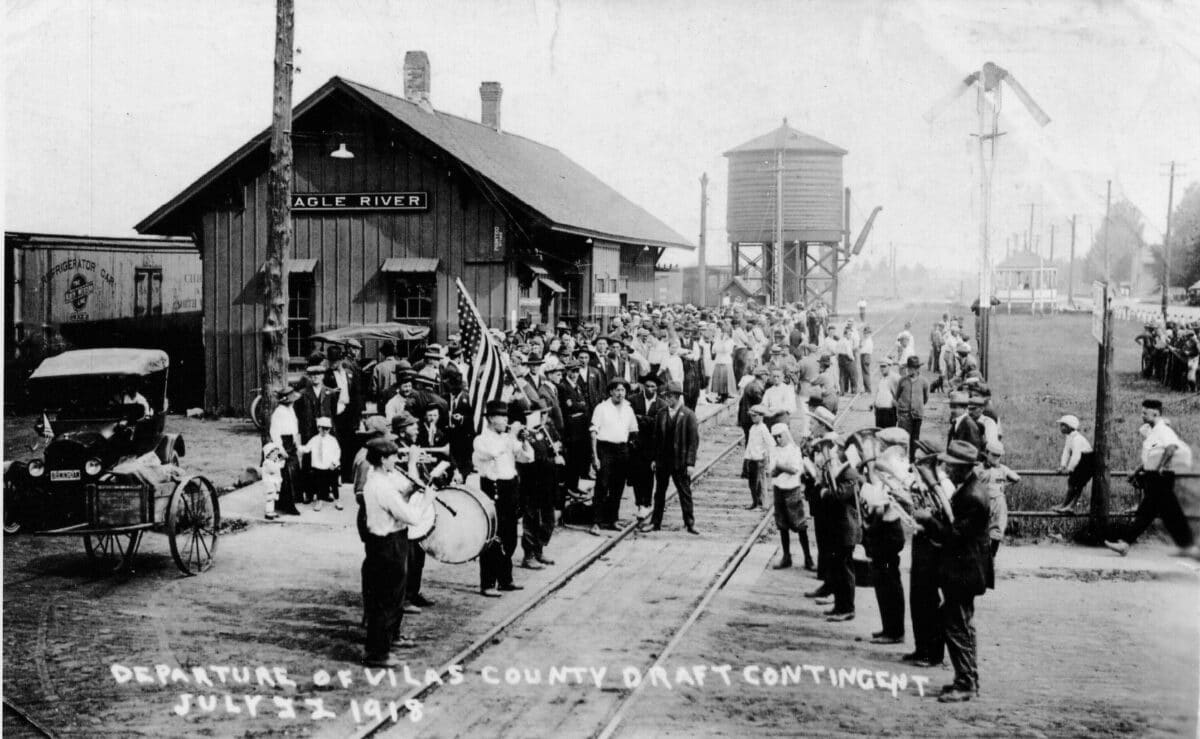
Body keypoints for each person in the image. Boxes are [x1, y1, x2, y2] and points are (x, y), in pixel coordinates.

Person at [913, 440, 992, 702]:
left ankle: (966, 683)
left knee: (957, 627)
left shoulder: (972, 496)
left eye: (951, 465)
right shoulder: (969, 489)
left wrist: (929, 521)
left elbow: (955, 535)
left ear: (964, 467)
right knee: (961, 625)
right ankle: (966, 678)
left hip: (964, 571)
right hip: (963, 570)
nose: (946, 468)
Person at [360, 437, 433, 667]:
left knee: (394, 596)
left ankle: (388, 641)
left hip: (390, 541)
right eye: (393, 457)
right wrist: (426, 500)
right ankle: (377, 653)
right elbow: (410, 516)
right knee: (386, 599)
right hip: (387, 544)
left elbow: (397, 495)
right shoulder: (381, 486)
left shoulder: (378, 479)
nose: (396, 460)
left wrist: (411, 489)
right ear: (383, 459)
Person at [1105, 399, 1199, 559]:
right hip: (1156, 476)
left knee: (1149, 512)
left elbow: (1171, 448)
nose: (1141, 415)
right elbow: (1150, 457)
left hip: (1161, 476)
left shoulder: (1163, 429)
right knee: (1166, 513)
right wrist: (1136, 472)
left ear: (1155, 413)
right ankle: (1188, 546)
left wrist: (1161, 467)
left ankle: (1126, 543)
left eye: (1145, 413)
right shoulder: (1153, 431)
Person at [473, 399, 535, 596]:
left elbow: (527, 457)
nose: (506, 420)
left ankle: (505, 579)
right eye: (502, 416)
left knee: (509, 536)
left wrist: (523, 440)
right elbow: (493, 453)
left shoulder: (508, 438)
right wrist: (511, 438)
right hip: (493, 488)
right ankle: (488, 583)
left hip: (510, 487)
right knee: (493, 536)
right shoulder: (481, 440)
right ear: (491, 418)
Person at [646, 382, 700, 534]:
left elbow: (693, 441)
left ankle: (689, 523)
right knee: (659, 493)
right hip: (663, 461)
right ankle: (655, 522)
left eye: (669, 396)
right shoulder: (661, 413)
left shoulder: (688, 415)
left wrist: (690, 463)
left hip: (680, 462)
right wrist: (654, 459)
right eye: (666, 396)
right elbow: (655, 439)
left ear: (677, 397)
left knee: (685, 493)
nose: (667, 399)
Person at [819, 440, 862, 622]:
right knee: (837, 568)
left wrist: (825, 493)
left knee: (845, 570)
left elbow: (840, 495)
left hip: (846, 528)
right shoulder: (840, 472)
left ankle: (847, 608)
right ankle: (839, 605)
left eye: (835, 453)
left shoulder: (850, 473)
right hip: (838, 528)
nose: (832, 456)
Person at [589, 378, 639, 533]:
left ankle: (613, 519)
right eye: (617, 390)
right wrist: (595, 456)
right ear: (611, 391)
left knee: (618, 486)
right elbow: (593, 432)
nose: (620, 393)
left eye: (623, 390)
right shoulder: (602, 408)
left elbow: (633, 430)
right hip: (605, 448)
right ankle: (596, 522)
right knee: (602, 485)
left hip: (622, 449)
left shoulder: (628, 408)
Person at [517, 400, 561, 570]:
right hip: (531, 483)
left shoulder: (548, 430)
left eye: (545, 413)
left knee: (549, 519)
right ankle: (528, 555)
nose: (544, 417)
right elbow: (533, 462)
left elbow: (557, 445)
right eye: (541, 414)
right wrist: (553, 460)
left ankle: (539, 549)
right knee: (531, 520)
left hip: (548, 482)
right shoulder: (525, 435)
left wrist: (558, 449)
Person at [768, 423, 815, 568]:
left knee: (799, 523)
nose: (777, 440)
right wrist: (781, 468)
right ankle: (786, 556)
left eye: (779, 436)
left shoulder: (794, 450)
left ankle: (808, 558)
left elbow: (795, 469)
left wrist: (780, 467)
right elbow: (772, 470)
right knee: (782, 524)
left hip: (792, 489)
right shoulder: (774, 450)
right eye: (775, 437)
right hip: (779, 488)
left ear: (786, 435)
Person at [629, 374, 666, 522]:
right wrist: (647, 421)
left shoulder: (661, 404)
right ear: (643, 386)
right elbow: (630, 419)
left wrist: (641, 418)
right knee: (636, 475)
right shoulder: (633, 400)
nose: (650, 389)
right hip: (636, 444)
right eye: (648, 386)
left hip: (652, 445)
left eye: (653, 387)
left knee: (648, 475)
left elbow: (658, 423)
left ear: (657, 388)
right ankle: (639, 503)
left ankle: (647, 503)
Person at [978, 440, 1018, 558]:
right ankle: (981, 555)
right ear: (986, 453)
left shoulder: (1003, 469)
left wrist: (1004, 485)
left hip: (998, 501)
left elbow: (1016, 478)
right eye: (993, 454)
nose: (995, 458)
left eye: (998, 455)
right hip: (982, 501)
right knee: (981, 527)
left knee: (997, 528)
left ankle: (992, 555)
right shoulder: (980, 468)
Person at [268, 388, 303, 515]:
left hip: (291, 442)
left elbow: (294, 427)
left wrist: (296, 441)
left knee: (293, 472)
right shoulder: (278, 412)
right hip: (283, 443)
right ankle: (287, 504)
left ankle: (289, 500)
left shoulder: (290, 410)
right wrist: (280, 449)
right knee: (285, 474)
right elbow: (274, 432)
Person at [1052, 414, 1094, 513]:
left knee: (1075, 484)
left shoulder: (1077, 439)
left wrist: (1070, 468)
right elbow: (1066, 452)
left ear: (1070, 427)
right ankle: (1067, 505)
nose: (1061, 427)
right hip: (1082, 461)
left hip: (1086, 461)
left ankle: (1068, 505)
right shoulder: (1070, 437)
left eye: (1063, 425)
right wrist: (1063, 465)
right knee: (1074, 484)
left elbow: (1076, 456)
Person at [300, 417, 341, 511]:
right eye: (323, 428)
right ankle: (320, 501)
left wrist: (334, 463)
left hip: (330, 466)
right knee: (320, 484)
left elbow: (337, 452)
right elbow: (307, 448)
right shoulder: (314, 439)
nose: (325, 431)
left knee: (334, 484)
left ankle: (337, 500)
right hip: (319, 466)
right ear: (319, 428)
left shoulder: (332, 440)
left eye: (328, 429)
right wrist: (297, 446)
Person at [895, 356, 928, 461]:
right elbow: (897, 395)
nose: (910, 370)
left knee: (915, 439)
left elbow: (925, 398)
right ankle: (903, 460)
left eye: (913, 368)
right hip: (904, 415)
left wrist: (917, 406)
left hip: (917, 415)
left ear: (918, 369)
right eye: (909, 368)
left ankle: (912, 460)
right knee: (903, 438)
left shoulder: (924, 382)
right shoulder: (902, 381)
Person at [743, 405, 772, 511]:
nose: (753, 418)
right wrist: (746, 458)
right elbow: (749, 445)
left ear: (761, 416)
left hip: (760, 459)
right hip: (752, 459)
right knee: (752, 483)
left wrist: (766, 455)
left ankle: (764, 504)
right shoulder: (752, 428)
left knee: (761, 483)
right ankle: (755, 502)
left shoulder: (763, 428)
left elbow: (770, 443)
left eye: (755, 416)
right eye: (751, 416)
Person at [260, 442, 286, 520]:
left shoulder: (272, 462)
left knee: (273, 497)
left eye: (276, 454)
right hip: (269, 484)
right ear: (268, 454)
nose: (276, 456)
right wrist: (278, 463)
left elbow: (279, 466)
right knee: (270, 498)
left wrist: (281, 462)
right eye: (274, 454)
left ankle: (271, 511)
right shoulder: (267, 463)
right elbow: (273, 470)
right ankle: (268, 512)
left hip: (273, 484)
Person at [872, 358, 898, 429]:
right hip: (879, 411)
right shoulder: (881, 377)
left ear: (889, 366)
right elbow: (879, 392)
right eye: (881, 366)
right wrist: (874, 403)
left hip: (889, 412)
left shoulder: (895, 378)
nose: (882, 368)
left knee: (889, 433)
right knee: (879, 433)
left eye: (884, 366)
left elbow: (899, 393)